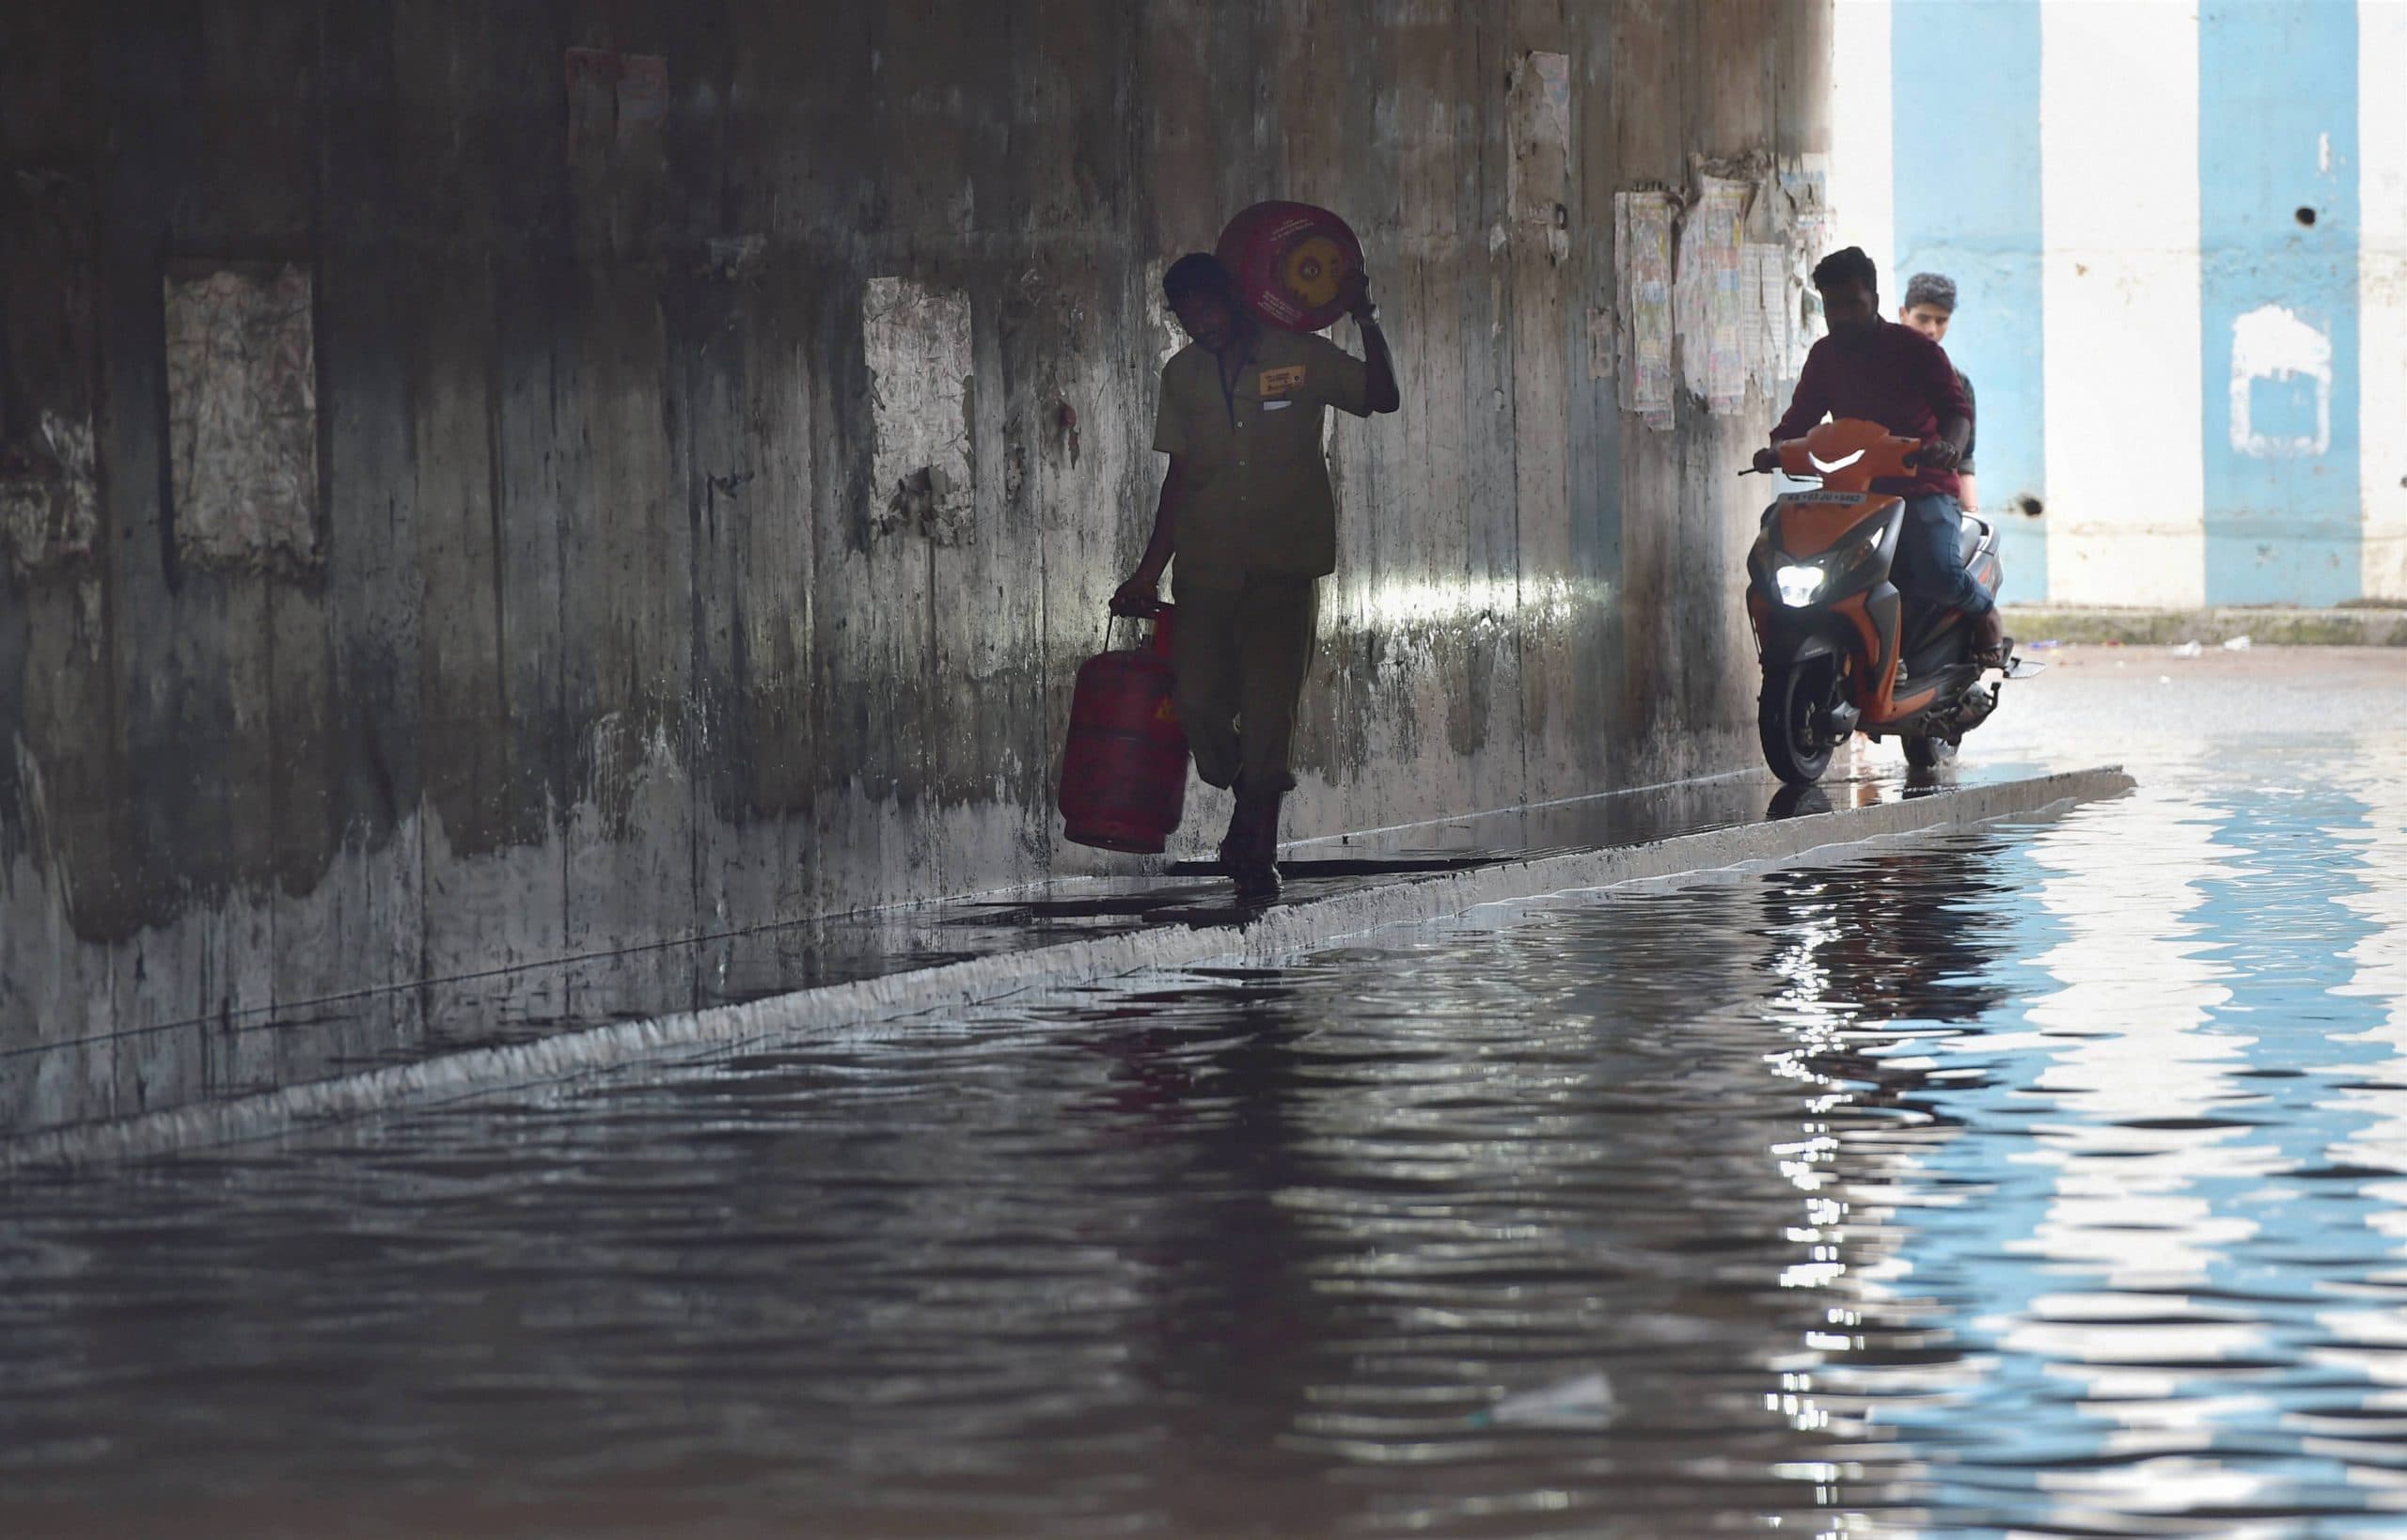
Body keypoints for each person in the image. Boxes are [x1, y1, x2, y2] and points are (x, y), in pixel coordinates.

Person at [1112, 252, 1401, 901]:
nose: (1197, 324)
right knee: (1194, 703)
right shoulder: (1181, 376)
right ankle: (1251, 787)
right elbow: (1178, 481)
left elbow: (1382, 397)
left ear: (1235, 297)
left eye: (1206, 307)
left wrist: (1365, 315)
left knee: (1271, 718)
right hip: (1207, 571)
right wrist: (1147, 572)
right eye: (1184, 315)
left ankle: (1256, 849)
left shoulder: (1300, 354)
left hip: (1283, 569)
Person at [1753, 246, 2005, 666]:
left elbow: (1956, 412)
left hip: (1920, 486)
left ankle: (1985, 612)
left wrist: (1948, 449)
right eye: (1834, 306)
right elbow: (1800, 418)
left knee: (1936, 571)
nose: (1843, 315)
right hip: (1850, 492)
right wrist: (1777, 448)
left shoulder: (1916, 350)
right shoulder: (1824, 355)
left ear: (1875, 300)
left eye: (1854, 304)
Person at [1897, 271, 1977, 514]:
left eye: (1941, 320)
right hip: (1876, 496)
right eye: (1923, 318)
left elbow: (1964, 462)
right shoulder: (1875, 370)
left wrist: (1973, 513)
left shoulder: (1959, 383)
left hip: (1933, 502)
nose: (1931, 329)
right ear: (1903, 315)